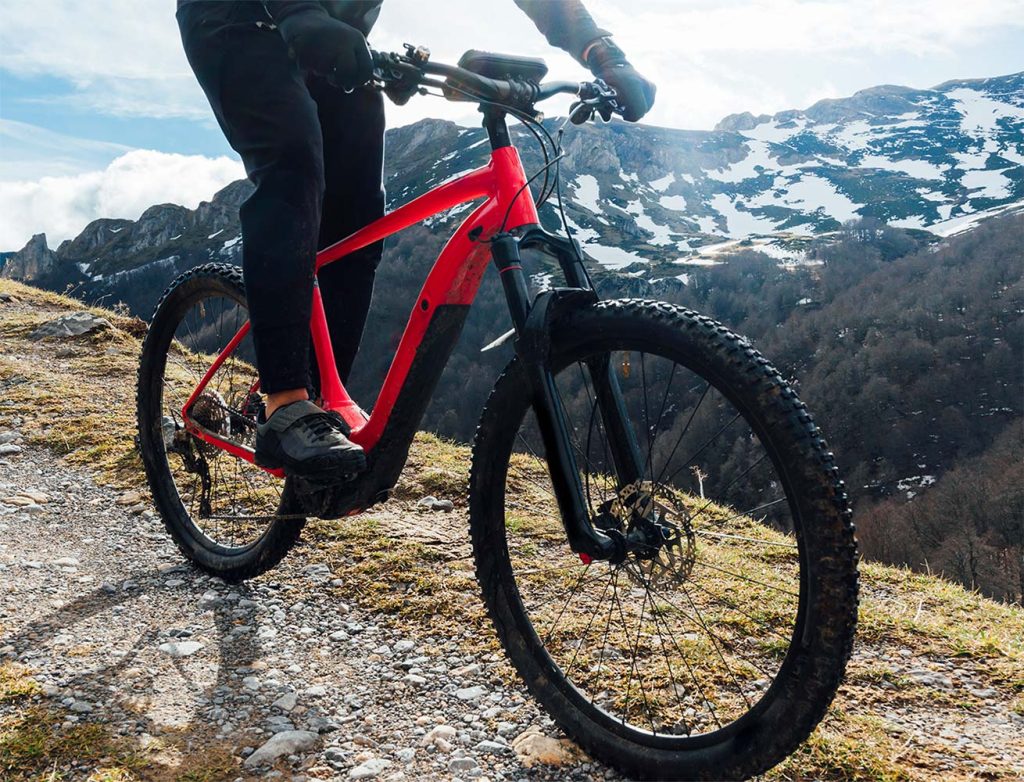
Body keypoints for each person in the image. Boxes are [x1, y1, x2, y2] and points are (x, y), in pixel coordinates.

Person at [176, 0, 656, 481]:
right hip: (236, 18)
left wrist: (603, 53)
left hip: (326, 30)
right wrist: (298, 9)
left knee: (359, 214)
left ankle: (321, 408)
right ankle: (285, 403)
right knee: (292, 162)